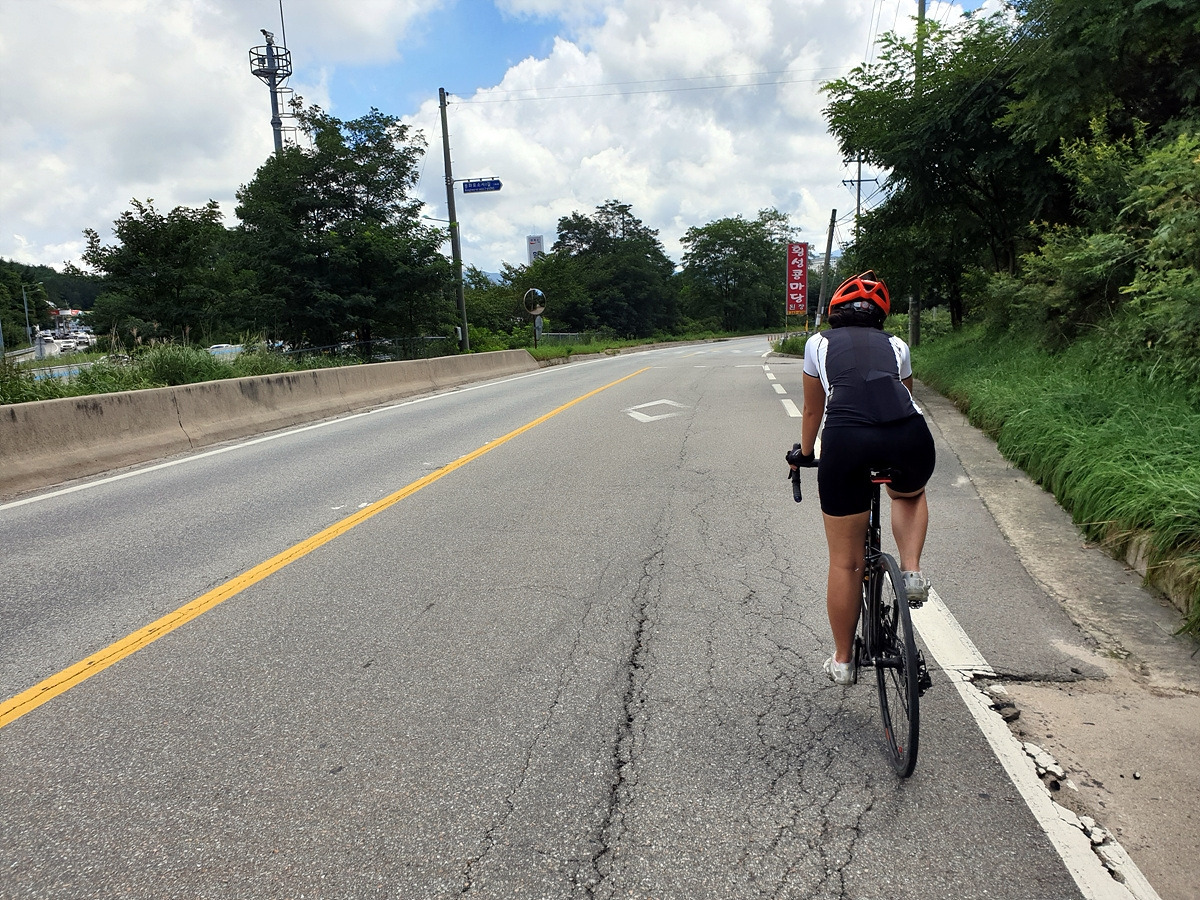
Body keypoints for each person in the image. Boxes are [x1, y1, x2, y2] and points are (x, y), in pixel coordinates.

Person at [787, 270, 936, 686]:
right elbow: (903, 394)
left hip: (847, 440)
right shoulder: (897, 344)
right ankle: (911, 571)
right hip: (908, 436)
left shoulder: (816, 344)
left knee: (846, 562)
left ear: (835, 311)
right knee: (908, 494)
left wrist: (806, 454)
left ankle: (843, 660)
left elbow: (813, 410)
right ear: (880, 316)